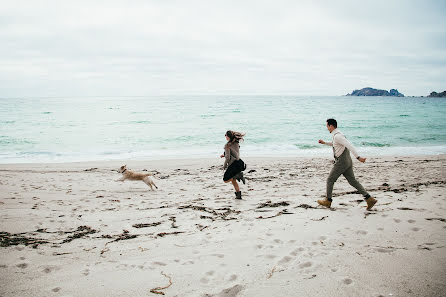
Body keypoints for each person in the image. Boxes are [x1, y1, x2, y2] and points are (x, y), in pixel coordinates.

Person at [318, 119, 377, 210]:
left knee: (330, 180)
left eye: (327, 126)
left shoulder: (338, 136)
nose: (327, 128)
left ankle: (328, 201)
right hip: (347, 161)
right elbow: (336, 145)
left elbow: (350, 146)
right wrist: (324, 143)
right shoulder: (338, 135)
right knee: (352, 181)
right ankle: (369, 199)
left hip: (342, 162)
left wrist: (358, 157)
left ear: (331, 126)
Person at [220, 130, 246, 199]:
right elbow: (234, 152)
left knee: (225, 179)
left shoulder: (227, 145)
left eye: (225, 135)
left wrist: (224, 166)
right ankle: (238, 195)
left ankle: (238, 175)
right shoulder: (236, 143)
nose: (225, 137)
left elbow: (228, 158)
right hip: (240, 163)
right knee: (233, 179)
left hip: (233, 165)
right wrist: (224, 154)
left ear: (228, 137)